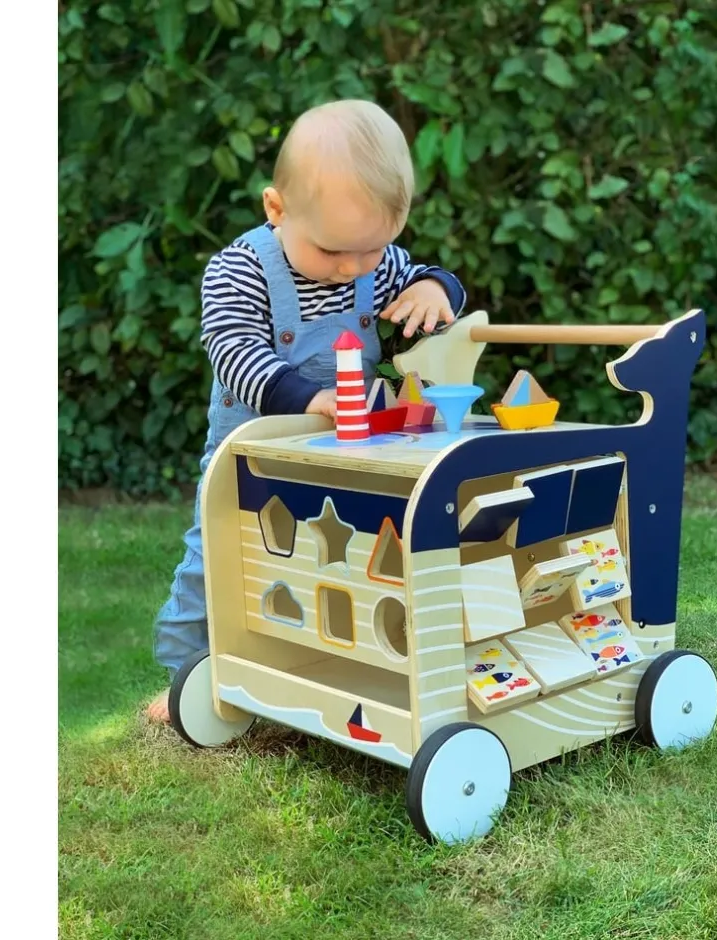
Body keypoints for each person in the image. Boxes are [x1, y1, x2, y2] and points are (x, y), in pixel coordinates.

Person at [146, 99, 466, 722]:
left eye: (372, 251)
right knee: (218, 554)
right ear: (277, 209)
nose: (353, 269)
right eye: (333, 252)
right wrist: (309, 398)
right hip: (253, 454)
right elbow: (233, 350)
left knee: (342, 552)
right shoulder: (241, 269)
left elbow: (424, 277)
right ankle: (189, 672)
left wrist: (435, 287)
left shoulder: (375, 260)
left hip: (349, 453)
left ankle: (325, 651)